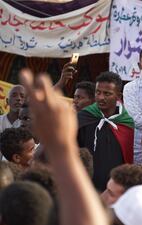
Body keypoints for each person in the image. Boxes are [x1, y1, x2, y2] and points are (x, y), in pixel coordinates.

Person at [19, 69, 109, 225]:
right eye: (74, 97)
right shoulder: (64, 120)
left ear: (93, 101)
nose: (75, 101)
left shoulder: (103, 124)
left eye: (80, 97)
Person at [78, 72, 134, 191]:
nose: (101, 97)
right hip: (86, 188)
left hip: (116, 189)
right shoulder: (83, 118)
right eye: (98, 92)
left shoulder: (127, 123)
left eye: (107, 93)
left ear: (118, 96)